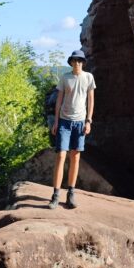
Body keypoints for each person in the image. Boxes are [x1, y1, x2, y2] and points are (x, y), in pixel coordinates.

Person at [48, 49, 95, 210]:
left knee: (75, 156)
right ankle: (55, 195)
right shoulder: (65, 78)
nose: (77, 63)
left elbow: (91, 100)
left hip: (80, 122)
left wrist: (88, 121)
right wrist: (56, 122)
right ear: (71, 62)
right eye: (75, 61)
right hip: (64, 122)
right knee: (61, 155)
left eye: (80, 61)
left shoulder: (88, 77)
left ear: (83, 63)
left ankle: (71, 194)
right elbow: (58, 101)